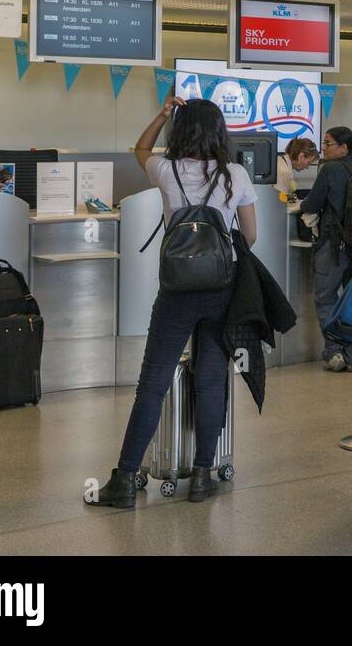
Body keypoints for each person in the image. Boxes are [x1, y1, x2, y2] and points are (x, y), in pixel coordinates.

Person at [89, 96, 257, 508]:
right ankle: (203, 475)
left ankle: (126, 480)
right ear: (220, 132)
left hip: (176, 291)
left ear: (179, 133)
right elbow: (250, 237)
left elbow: (140, 149)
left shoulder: (166, 171)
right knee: (211, 378)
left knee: (152, 384)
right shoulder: (235, 173)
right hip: (222, 288)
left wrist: (162, 113)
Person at [301, 126, 352, 371]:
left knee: (326, 297)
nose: (323, 148)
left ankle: (334, 353)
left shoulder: (330, 169)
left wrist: (302, 202)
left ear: (344, 148)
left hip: (332, 243)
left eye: (327, 143)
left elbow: (312, 203)